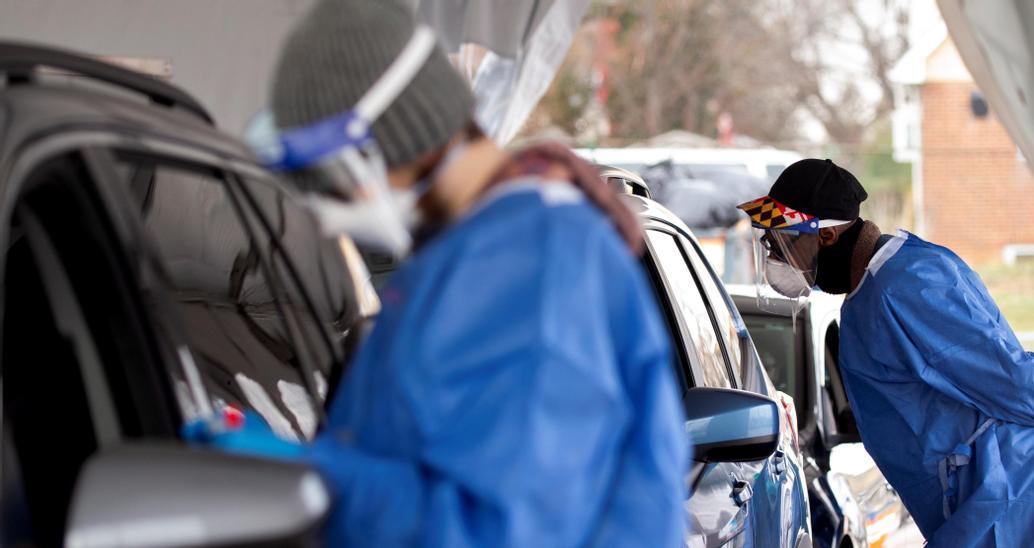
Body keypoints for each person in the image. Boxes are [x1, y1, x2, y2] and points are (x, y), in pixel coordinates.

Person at [190, 1, 690, 546]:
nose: (321, 206)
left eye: (323, 175)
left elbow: (505, 530)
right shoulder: (465, 255)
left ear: (384, 139)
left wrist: (316, 479)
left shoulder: (536, 264)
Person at [739, 159, 1034, 547]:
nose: (776, 255)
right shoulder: (869, 295)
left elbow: (1002, 371)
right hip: (978, 497)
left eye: (783, 241)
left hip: (1013, 490)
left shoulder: (907, 284)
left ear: (827, 236)